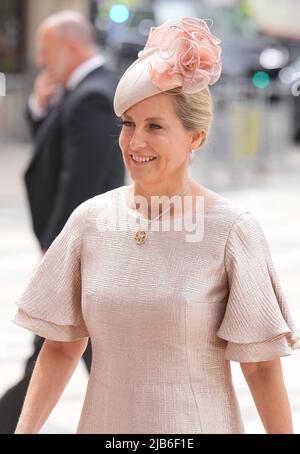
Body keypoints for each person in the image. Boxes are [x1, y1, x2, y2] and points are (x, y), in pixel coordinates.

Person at [12, 17, 299, 434]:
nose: (135, 142)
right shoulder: (89, 221)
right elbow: (60, 347)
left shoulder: (231, 231)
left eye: (155, 126)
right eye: (128, 124)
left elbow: (260, 371)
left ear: (196, 137)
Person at [0, 11, 124, 434]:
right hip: (80, 254)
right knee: (70, 350)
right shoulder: (80, 89)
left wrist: (58, 256)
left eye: (45, 50)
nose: (39, 58)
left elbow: (80, 189)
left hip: (84, 252)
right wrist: (38, 106)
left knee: (64, 349)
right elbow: (54, 149)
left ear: (71, 48)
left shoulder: (93, 95)